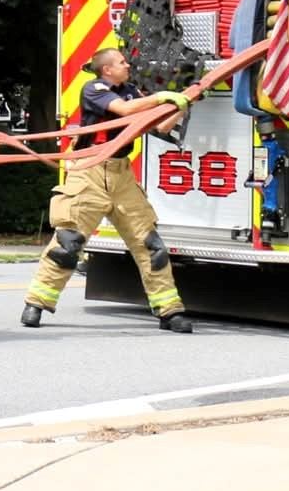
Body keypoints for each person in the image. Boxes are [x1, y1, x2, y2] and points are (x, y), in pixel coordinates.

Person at [21, 47, 195, 332]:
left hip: (121, 175)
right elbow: (124, 111)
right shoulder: (95, 89)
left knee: (150, 245)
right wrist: (162, 96)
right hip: (90, 170)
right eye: (122, 62)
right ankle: (36, 303)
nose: (128, 66)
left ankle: (170, 311)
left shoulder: (132, 92)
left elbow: (161, 127)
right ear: (107, 70)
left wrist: (181, 107)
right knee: (68, 243)